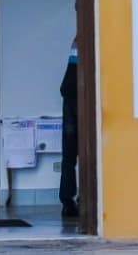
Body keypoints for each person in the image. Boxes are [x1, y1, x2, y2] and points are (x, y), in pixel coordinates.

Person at [59, 34, 79, 218]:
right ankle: (78, 200)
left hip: (69, 101)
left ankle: (67, 201)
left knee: (69, 158)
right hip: (79, 102)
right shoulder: (86, 39)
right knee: (90, 156)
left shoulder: (77, 40)